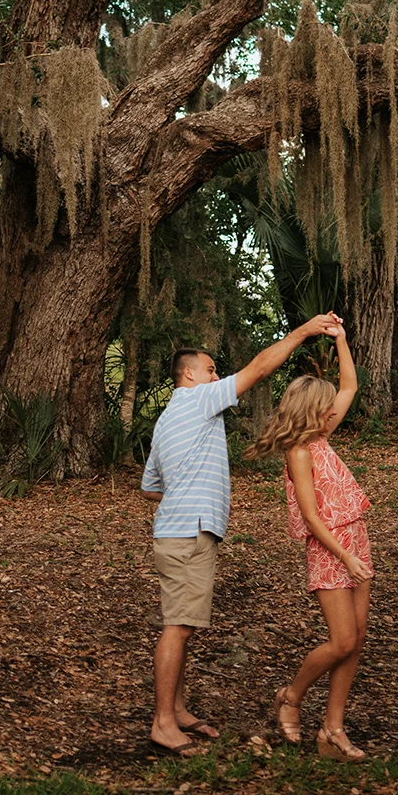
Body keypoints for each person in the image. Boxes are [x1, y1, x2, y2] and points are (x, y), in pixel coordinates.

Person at [140, 314, 343, 755]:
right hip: (188, 534)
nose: (217, 376)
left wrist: (188, 496)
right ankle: (162, 724)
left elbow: (151, 487)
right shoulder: (197, 400)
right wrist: (305, 332)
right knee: (178, 627)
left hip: (177, 531)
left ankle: (176, 710)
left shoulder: (165, 422)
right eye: (211, 369)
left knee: (185, 624)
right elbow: (261, 368)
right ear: (189, 374)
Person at [250, 323, 374, 762]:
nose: (332, 413)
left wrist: (340, 340)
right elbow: (310, 517)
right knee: (341, 640)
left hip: (355, 537)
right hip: (330, 548)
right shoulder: (299, 451)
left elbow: (350, 385)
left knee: (356, 639)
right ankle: (291, 694)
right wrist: (344, 555)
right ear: (310, 411)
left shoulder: (320, 436)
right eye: (325, 409)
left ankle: (332, 730)